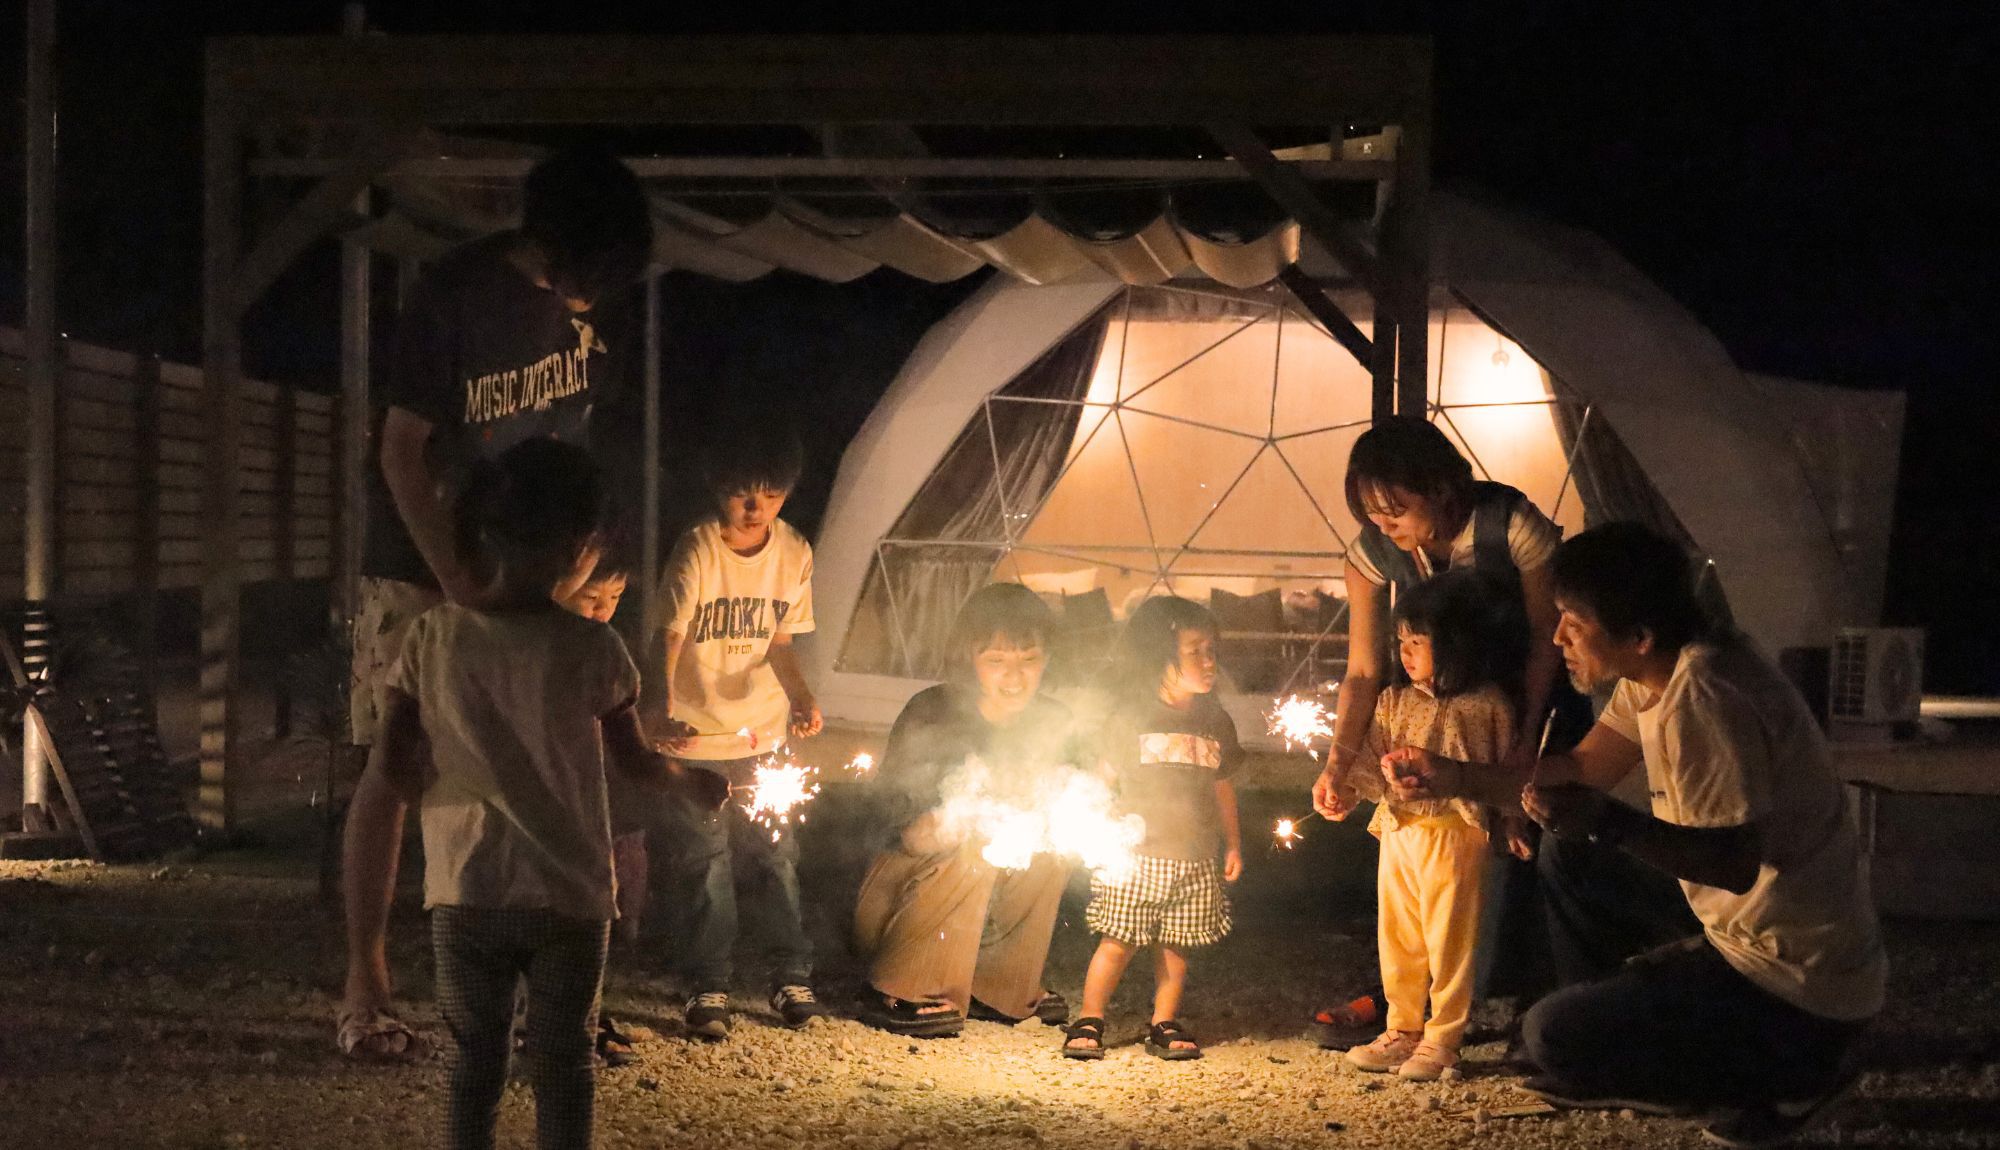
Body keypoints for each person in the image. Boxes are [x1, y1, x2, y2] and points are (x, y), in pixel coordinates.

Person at [1380, 523, 1886, 1147]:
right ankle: (1628, 1022)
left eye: (1574, 620)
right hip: (1755, 935)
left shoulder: (1703, 697)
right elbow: (1582, 768)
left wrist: (1607, 822)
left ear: (1638, 636)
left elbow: (1732, 863)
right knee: (1567, 853)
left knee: (1552, 1036)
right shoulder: (1659, 673)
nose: (1558, 635)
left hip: (1795, 985)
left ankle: (1795, 1080)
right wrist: (1454, 775)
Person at [338, 149, 653, 1058]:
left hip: (538, 569)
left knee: (546, 761)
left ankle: (549, 999)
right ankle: (368, 986)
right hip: (422, 563)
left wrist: (591, 558)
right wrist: (459, 582)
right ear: (553, 240)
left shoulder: (595, 311)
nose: (594, 296)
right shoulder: (455, 292)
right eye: (588, 271)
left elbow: (583, 439)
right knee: (395, 768)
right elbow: (403, 450)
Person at [341, 438, 727, 1150]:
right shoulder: (594, 649)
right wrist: (692, 781)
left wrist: (450, 762)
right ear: (582, 545)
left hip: (466, 890)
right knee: (564, 1065)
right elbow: (636, 765)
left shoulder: (430, 638)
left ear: (485, 529)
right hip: (571, 900)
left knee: (474, 1063)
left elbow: (393, 766)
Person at [1305, 416, 1659, 1038]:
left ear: (1441, 488)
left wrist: (1519, 750)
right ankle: (1409, 1000)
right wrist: (1339, 761)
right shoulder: (1372, 555)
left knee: (1529, 839)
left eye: (1395, 510)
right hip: (1439, 703)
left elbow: (1544, 648)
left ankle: (1538, 999)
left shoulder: (1511, 527)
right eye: (1371, 513)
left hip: (1530, 697)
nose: (1382, 526)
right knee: (1423, 850)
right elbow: (1363, 670)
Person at [649, 423, 825, 1038]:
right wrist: (659, 704)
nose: (756, 510)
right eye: (743, 495)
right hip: (698, 740)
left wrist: (801, 698)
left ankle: (790, 973)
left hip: (763, 735)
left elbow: (780, 641)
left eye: (771, 495)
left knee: (777, 854)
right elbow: (668, 635)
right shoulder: (698, 550)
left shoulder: (794, 552)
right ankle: (709, 984)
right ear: (717, 490)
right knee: (705, 859)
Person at [852, 583, 1078, 1037]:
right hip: (898, 892)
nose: (1014, 678)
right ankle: (904, 986)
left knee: (1056, 840)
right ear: (968, 658)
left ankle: (996, 987)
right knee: (974, 836)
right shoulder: (932, 713)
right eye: (996, 660)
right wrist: (970, 814)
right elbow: (907, 834)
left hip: (983, 894)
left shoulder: (1054, 721)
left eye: (1028, 659)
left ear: (1048, 657)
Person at [1328, 572, 1521, 1081]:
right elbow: (1370, 760)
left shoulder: (1488, 706)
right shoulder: (1394, 701)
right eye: (1401, 641)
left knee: (1449, 939)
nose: (1406, 652)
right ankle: (1403, 1027)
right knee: (1399, 935)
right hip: (1397, 831)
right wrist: (1347, 789)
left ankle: (1444, 1036)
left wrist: (1512, 818)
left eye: (1419, 641)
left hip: (1455, 834)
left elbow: (1507, 771)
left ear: (1457, 645)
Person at [1063, 597, 1243, 1062]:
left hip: (1195, 857)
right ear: (1156, 655)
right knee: (1118, 940)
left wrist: (1234, 843)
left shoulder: (1215, 721)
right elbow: (1103, 778)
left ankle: (1163, 1022)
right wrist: (1093, 823)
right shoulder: (1129, 717)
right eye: (1195, 651)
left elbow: (1222, 786)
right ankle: (1089, 1018)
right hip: (1136, 857)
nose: (1209, 662)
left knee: (1176, 946)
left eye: (1212, 651)